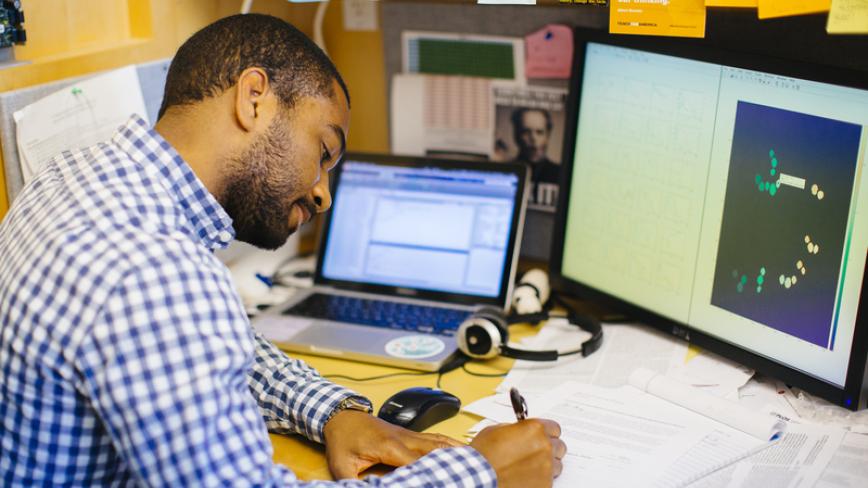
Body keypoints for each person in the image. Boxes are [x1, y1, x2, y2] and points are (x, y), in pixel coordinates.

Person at [0, 14, 565, 487]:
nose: (322, 193)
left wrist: (333, 414)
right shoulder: (155, 271)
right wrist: (480, 470)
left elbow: (208, 348)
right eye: (324, 151)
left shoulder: (75, 178)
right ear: (254, 98)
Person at [511, 107, 560, 185]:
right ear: (516, 135)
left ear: (548, 136)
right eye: (526, 132)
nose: (533, 138)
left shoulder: (560, 173)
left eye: (539, 132)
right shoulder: (504, 171)